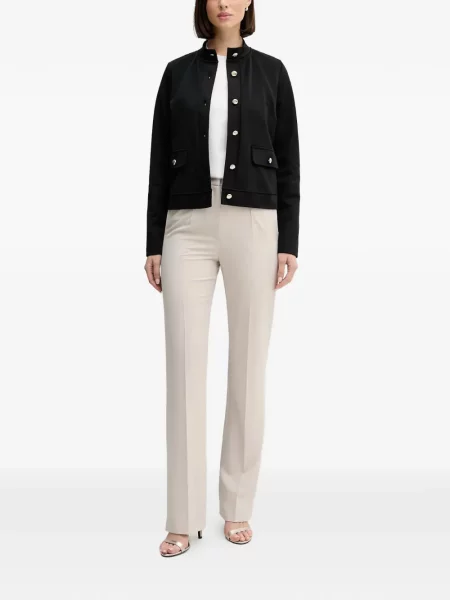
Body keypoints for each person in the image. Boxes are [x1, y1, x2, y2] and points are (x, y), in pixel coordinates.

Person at [144, 0, 300, 557]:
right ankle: (182, 518)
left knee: (248, 365)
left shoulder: (273, 72)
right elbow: (158, 159)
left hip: (255, 221)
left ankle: (237, 507)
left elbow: (289, 159)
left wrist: (288, 241)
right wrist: (153, 241)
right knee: (184, 366)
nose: (225, 2)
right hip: (185, 224)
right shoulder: (177, 73)